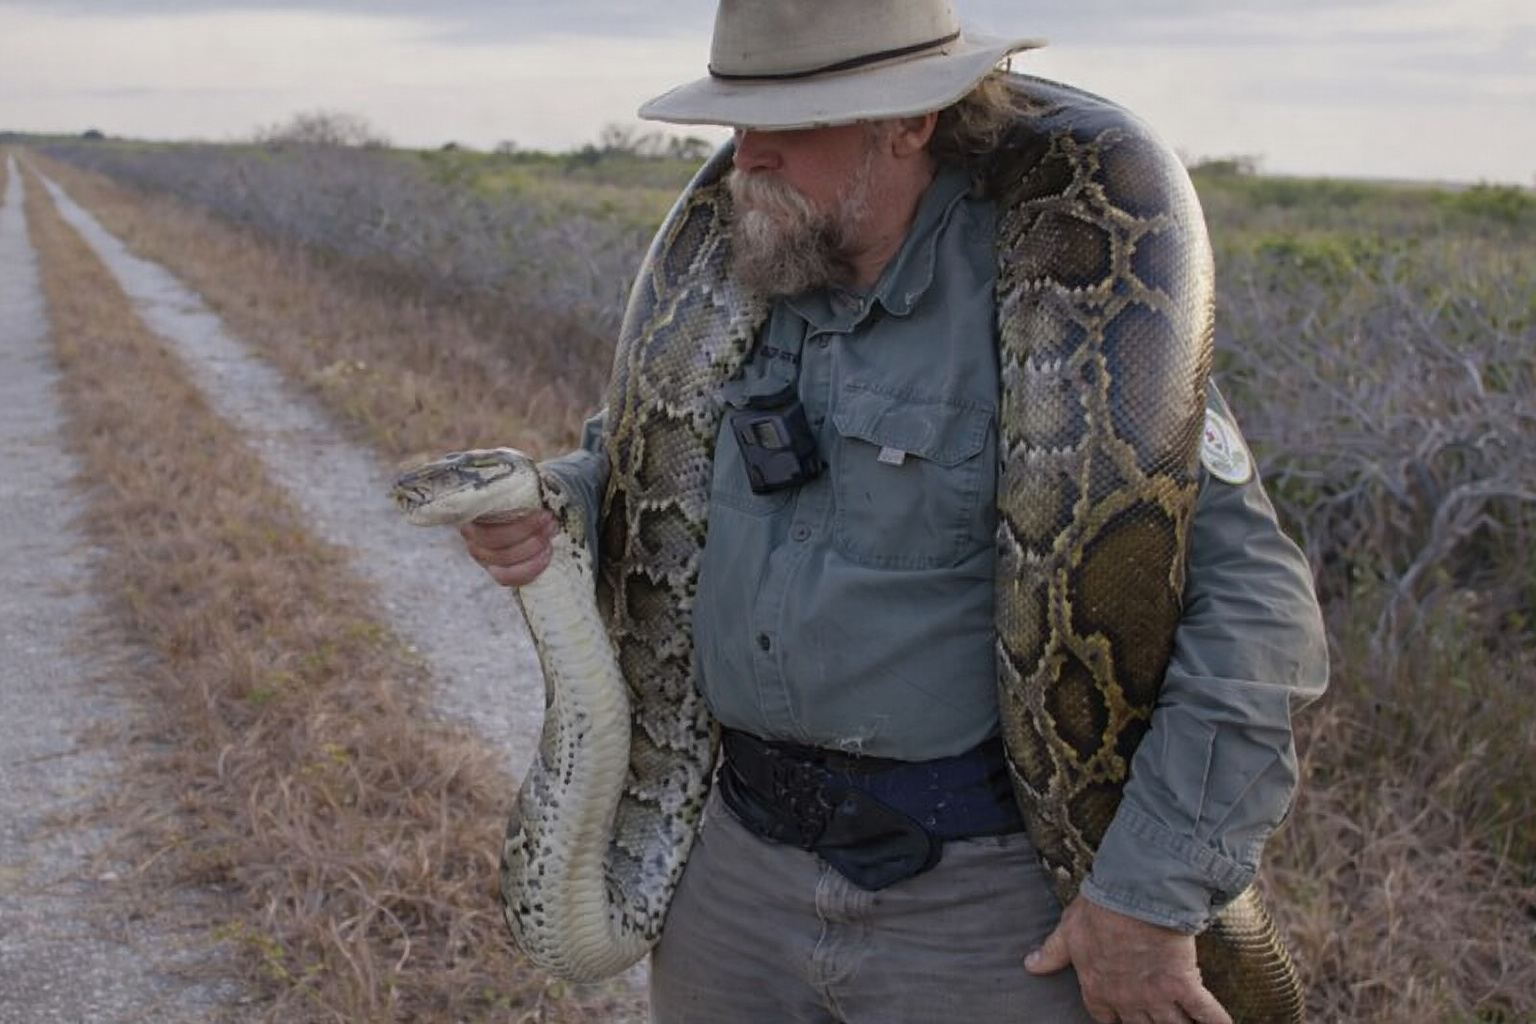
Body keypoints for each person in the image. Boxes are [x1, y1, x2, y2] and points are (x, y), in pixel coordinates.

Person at [459, 2, 1328, 1022]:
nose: (749, 157)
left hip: (978, 911)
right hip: (735, 875)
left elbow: (1262, 621)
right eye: (737, 124)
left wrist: (1149, 891)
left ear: (908, 122)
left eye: (793, 122)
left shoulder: (1073, 307)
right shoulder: (758, 260)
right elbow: (640, 454)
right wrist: (558, 500)